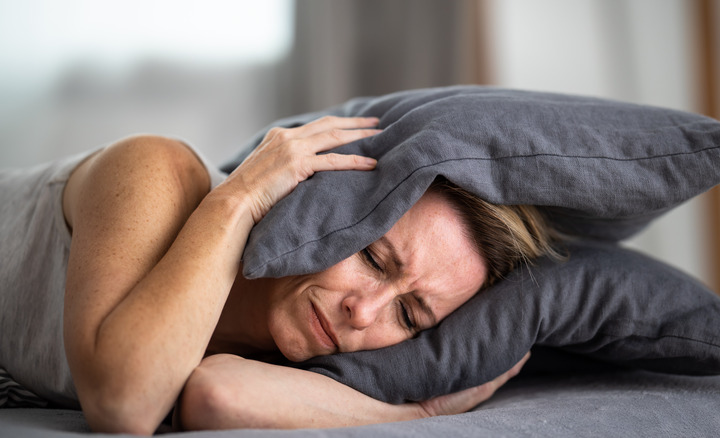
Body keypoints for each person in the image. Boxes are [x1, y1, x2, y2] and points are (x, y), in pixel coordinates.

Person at [0, 116, 559, 434]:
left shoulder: (292, 352)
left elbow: (215, 396)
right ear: (328, 206)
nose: (363, 313)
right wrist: (241, 197)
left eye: (408, 316)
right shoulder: (157, 171)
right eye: (373, 259)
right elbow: (124, 403)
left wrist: (417, 414)